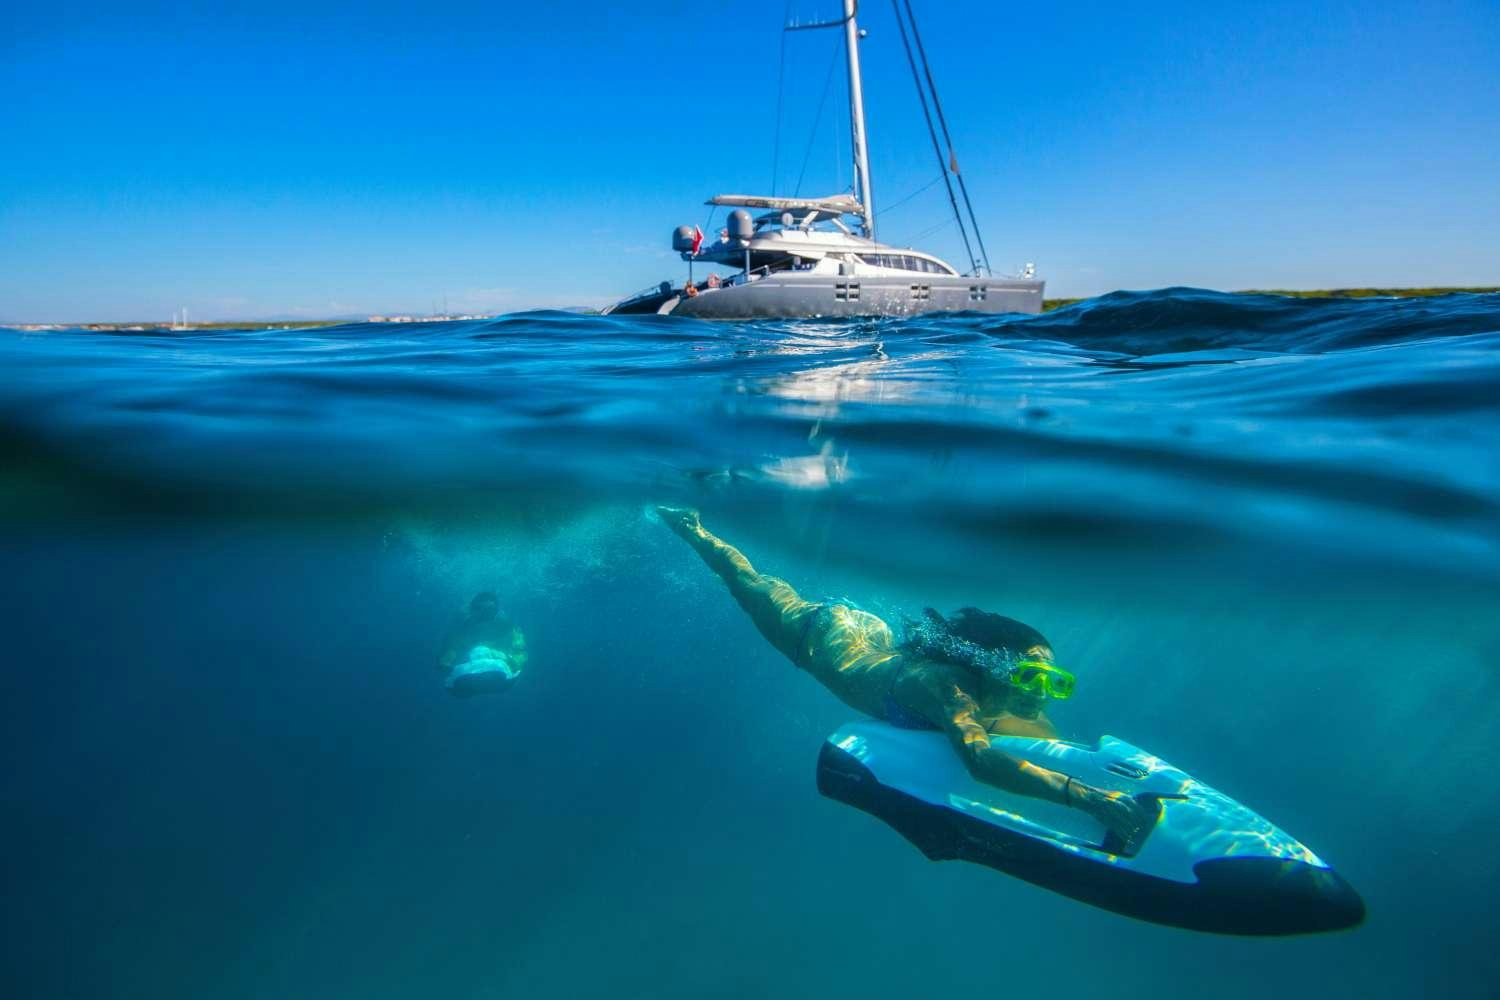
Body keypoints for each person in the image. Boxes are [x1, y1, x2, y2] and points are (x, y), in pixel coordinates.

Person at [656, 507, 1152, 847]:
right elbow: (980, 760)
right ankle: (693, 529)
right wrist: (1084, 798)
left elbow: (1041, 743)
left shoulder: (1003, 696)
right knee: (746, 582)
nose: (1039, 694)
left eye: (1053, 682)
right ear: (993, 665)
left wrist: (1096, 775)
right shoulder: (951, 690)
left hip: (872, 636)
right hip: (819, 637)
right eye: (1029, 676)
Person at [439, 591, 528, 684]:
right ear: (472, 610)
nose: (484, 615)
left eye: (489, 610)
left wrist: (516, 661)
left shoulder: (505, 624)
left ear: (495, 611)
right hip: (471, 664)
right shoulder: (463, 625)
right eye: (480, 609)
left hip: (496, 662)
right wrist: (446, 662)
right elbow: (452, 647)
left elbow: (518, 645)